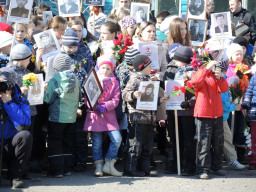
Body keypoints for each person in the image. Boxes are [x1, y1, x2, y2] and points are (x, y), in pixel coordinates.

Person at [122, 54, 168, 177]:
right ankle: (130, 169)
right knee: (135, 145)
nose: (151, 67)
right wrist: (133, 95)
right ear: (142, 67)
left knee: (147, 146)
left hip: (149, 119)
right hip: (137, 118)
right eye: (149, 65)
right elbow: (124, 94)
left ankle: (145, 168)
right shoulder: (134, 79)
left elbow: (150, 98)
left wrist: (160, 100)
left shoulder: (149, 79)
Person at [83, 56, 122, 177]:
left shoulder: (114, 82)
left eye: (108, 68)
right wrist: (94, 106)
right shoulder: (93, 80)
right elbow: (87, 98)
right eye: (103, 68)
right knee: (97, 143)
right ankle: (98, 165)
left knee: (117, 139)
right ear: (98, 68)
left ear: (112, 70)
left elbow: (116, 99)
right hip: (95, 115)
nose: (105, 70)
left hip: (109, 115)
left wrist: (105, 106)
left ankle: (109, 162)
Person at [191, 58, 229, 179]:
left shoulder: (215, 75)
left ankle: (216, 166)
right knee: (204, 143)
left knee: (218, 142)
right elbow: (195, 82)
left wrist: (220, 78)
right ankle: (202, 169)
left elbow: (224, 89)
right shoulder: (199, 73)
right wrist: (206, 68)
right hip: (204, 113)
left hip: (217, 112)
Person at [44, 54, 79, 177]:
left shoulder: (55, 80)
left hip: (57, 116)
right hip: (71, 117)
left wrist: (44, 91)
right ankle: (67, 169)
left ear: (55, 67)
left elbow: (48, 99)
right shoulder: (76, 78)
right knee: (68, 142)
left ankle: (57, 170)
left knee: (55, 142)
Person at [0, 67, 32, 188]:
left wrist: (9, 103)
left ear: (13, 85)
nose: (4, 88)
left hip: (11, 145)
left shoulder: (21, 101)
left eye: (6, 84)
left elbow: (23, 125)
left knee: (25, 136)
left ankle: (15, 176)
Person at [219, 60, 246, 170]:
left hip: (220, 116)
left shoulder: (223, 80)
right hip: (221, 117)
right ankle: (231, 160)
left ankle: (231, 160)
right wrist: (234, 107)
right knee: (226, 139)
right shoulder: (222, 81)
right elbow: (224, 104)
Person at [242, 64, 256, 170]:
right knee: (253, 138)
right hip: (254, 111)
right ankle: (253, 160)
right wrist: (245, 105)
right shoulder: (254, 77)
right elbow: (249, 92)